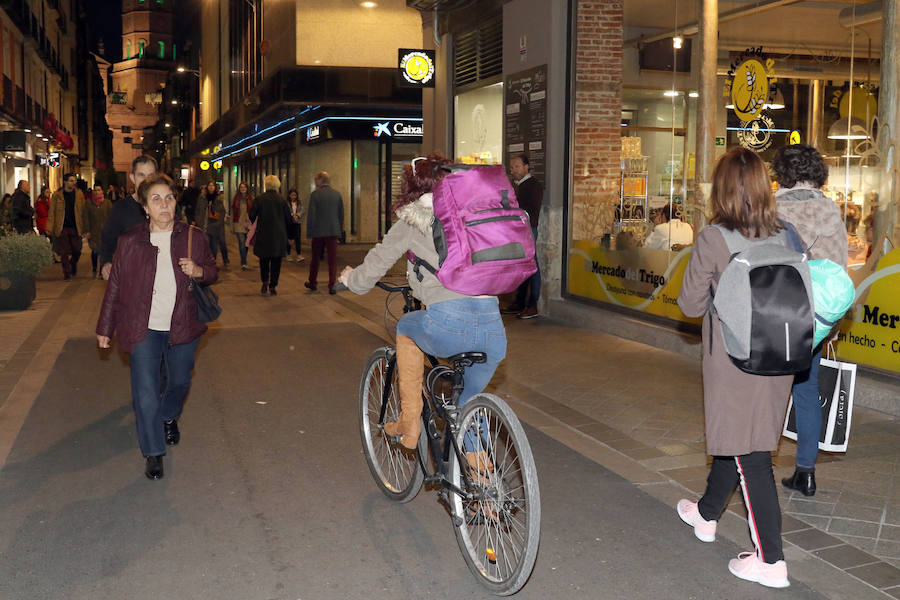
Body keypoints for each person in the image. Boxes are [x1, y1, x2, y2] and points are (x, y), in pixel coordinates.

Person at [676, 148, 793, 589]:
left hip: (733, 358)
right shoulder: (788, 234)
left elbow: (689, 304)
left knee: (752, 454)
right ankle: (707, 513)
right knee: (741, 435)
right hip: (781, 355)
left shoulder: (714, 237)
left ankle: (772, 561)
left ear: (721, 190)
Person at [340, 154, 507, 452]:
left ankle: (409, 419)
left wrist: (352, 279)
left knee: (406, 327)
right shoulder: (474, 213)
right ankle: (484, 489)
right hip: (494, 329)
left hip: (448, 324)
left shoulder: (414, 218)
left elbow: (376, 264)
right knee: (466, 404)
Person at [96, 173, 217, 480]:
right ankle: (153, 452)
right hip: (142, 327)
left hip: (183, 325)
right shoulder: (130, 241)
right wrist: (105, 327)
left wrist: (199, 270)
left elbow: (213, 271)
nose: (164, 204)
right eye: (156, 199)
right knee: (146, 391)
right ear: (145, 208)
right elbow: (116, 287)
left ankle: (169, 415)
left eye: (169, 198)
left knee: (179, 381)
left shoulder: (194, 236)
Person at [773, 143, 848, 497]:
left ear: (782, 172)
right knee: (806, 389)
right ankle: (806, 471)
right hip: (818, 316)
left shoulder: (772, 208)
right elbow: (840, 269)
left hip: (777, 314)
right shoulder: (832, 211)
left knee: (768, 389)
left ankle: (758, 462)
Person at [99, 155, 158, 280]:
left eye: (150, 175)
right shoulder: (120, 208)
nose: (146, 180)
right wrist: (106, 263)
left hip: (161, 274)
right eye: (141, 175)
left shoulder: (167, 207)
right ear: (133, 178)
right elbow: (108, 239)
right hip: (132, 276)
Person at [501, 155, 543, 319]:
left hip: (527, 229)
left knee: (532, 266)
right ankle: (519, 302)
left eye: (517, 167)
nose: (514, 171)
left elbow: (530, 212)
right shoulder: (519, 186)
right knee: (523, 266)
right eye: (512, 168)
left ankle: (533, 305)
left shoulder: (532, 185)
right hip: (519, 229)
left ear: (527, 167)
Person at [250, 175, 292, 295]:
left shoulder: (259, 199)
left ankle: (264, 282)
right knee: (276, 261)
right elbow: (288, 219)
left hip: (264, 233)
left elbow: (252, 216)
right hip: (279, 235)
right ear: (277, 185)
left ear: (266, 185)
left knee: (264, 260)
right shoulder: (282, 200)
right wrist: (290, 236)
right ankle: (273, 286)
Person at [305, 171, 344, 294]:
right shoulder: (337, 195)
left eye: (316, 180)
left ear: (320, 180)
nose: (315, 182)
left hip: (318, 232)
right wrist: (339, 230)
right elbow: (341, 215)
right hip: (333, 231)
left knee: (315, 259)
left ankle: (312, 282)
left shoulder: (315, 195)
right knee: (332, 260)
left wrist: (309, 232)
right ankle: (332, 284)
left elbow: (311, 215)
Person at [47, 173, 86, 280]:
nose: (74, 183)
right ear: (65, 182)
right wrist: (49, 227)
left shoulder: (79, 194)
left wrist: (86, 226)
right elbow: (52, 212)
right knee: (63, 251)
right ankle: (66, 272)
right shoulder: (57, 195)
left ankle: (73, 263)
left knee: (77, 250)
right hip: (61, 227)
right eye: (71, 181)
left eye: (74, 181)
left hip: (76, 226)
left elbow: (83, 211)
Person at [84, 184, 112, 278]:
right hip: (94, 231)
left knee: (103, 251)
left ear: (102, 191)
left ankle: (101, 271)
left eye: (99, 190)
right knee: (95, 251)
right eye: (95, 190)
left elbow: (111, 217)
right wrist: (87, 230)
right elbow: (86, 217)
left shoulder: (107, 203)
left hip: (105, 231)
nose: (97, 192)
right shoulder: (88, 203)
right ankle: (94, 268)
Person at [200, 181, 229, 266]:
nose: (211, 187)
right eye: (209, 185)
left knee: (217, 243)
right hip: (206, 224)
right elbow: (199, 210)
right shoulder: (203, 197)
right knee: (207, 244)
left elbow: (222, 211)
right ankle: (210, 261)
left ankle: (216, 261)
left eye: (213, 185)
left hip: (216, 224)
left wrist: (219, 222)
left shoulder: (218, 198)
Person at [231, 181, 253, 270]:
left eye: (244, 187)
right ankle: (243, 262)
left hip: (248, 224)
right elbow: (233, 212)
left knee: (246, 244)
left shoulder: (251, 199)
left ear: (247, 189)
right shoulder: (236, 199)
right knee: (241, 243)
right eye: (241, 187)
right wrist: (231, 225)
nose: (243, 189)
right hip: (238, 223)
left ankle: (244, 259)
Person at [286, 188, 304, 262]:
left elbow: (302, 210)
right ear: (289, 195)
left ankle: (299, 254)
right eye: (292, 195)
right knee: (289, 238)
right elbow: (286, 211)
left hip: (297, 222)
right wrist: (292, 215)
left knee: (297, 238)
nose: (293, 197)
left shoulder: (299, 202)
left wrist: (298, 215)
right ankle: (288, 254)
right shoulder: (286, 203)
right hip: (289, 222)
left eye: (295, 195)